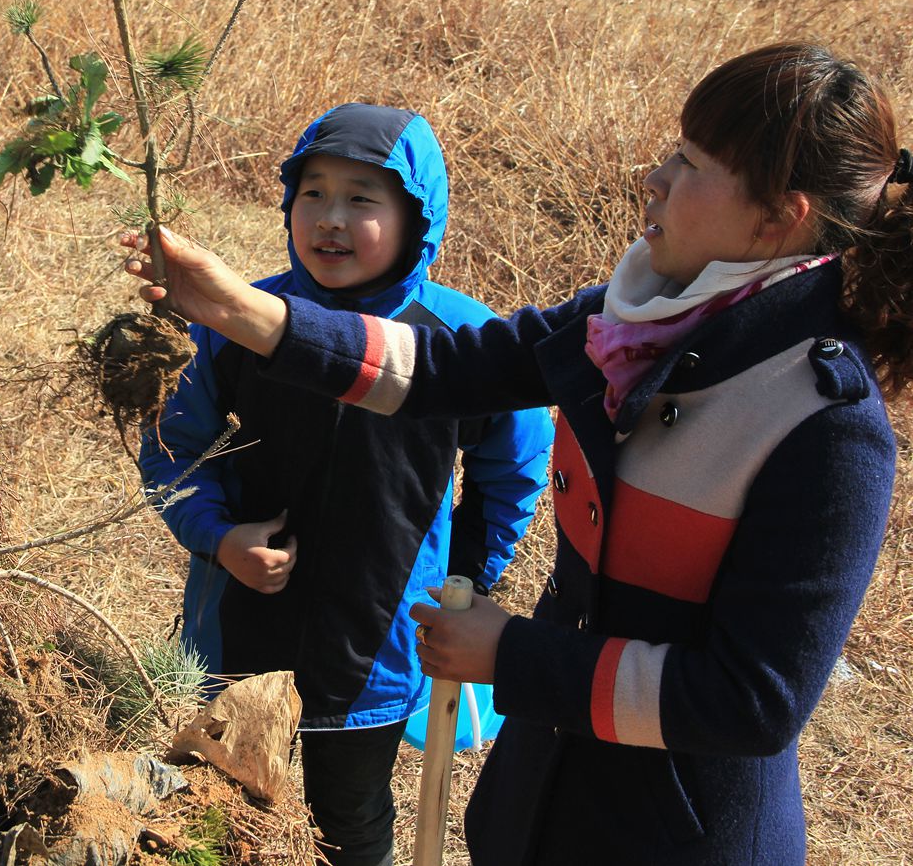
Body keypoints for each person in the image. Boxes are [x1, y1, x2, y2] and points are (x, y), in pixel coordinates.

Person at [123, 43, 913, 866]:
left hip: (669, 837)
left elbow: (752, 702)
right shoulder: (634, 323)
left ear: (777, 217)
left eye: (691, 162)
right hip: (542, 799)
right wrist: (236, 308)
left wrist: (511, 653)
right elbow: (443, 366)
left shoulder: (826, 425)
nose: (654, 176)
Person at [138, 103, 554, 866]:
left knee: (350, 819)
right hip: (238, 627)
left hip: (378, 646)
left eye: (362, 199)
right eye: (312, 193)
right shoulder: (239, 318)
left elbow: (512, 468)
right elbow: (170, 447)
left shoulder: (461, 342)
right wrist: (220, 537)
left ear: (416, 217)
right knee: (213, 806)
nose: (330, 218)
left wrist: (463, 580)